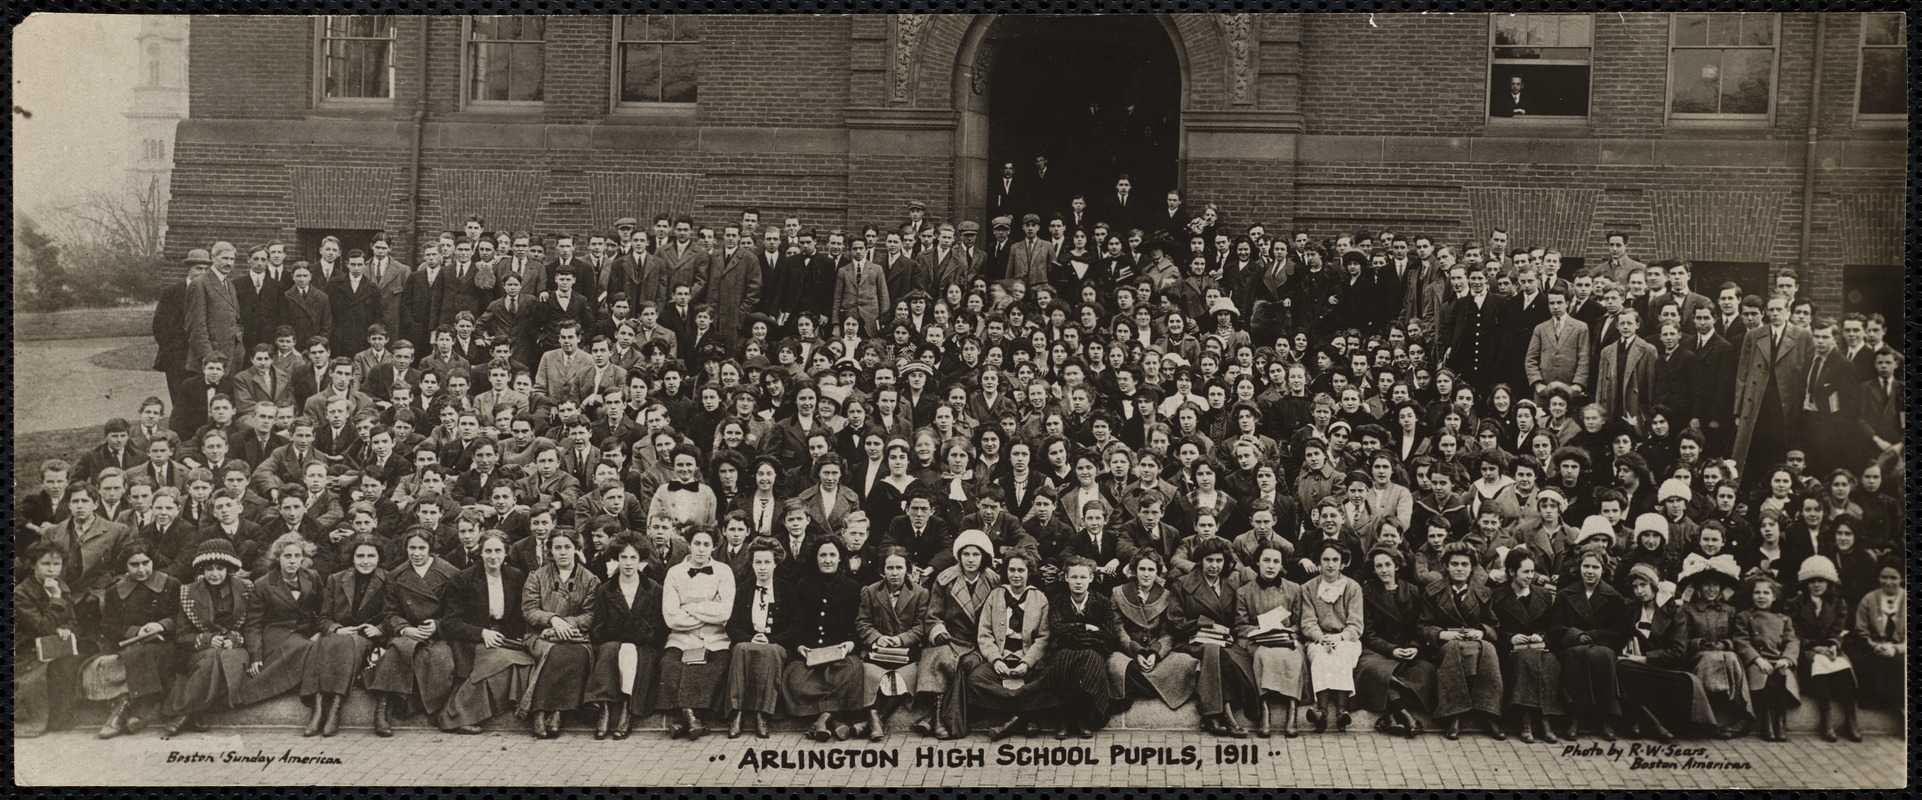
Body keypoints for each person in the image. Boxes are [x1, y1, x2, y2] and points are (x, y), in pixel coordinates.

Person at [363, 530, 462, 737]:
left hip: (437, 634)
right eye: (412, 548)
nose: (416, 553)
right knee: (398, 650)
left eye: (421, 548)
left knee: (441, 659)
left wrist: (437, 625)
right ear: (406, 548)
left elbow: (458, 611)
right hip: (407, 630)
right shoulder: (396, 575)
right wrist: (405, 628)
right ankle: (383, 709)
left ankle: (439, 712)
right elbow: (389, 612)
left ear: (430, 549)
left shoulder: (450, 573)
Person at [82, 543, 182, 739]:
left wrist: (162, 625)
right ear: (125, 566)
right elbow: (109, 626)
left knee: (145, 654)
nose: (141, 569)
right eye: (134, 564)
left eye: (146, 563)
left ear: (153, 561)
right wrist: (136, 631)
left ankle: (124, 710)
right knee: (124, 658)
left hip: (165, 643)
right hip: (130, 643)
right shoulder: (115, 591)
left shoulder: (171, 584)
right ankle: (133, 714)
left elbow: (182, 617)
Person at [439, 530, 534, 734]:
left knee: (524, 661)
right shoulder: (463, 579)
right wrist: (482, 633)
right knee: (497, 660)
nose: (493, 556)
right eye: (488, 551)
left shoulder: (515, 576)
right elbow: (450, 622)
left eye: (498, 551)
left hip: (505, 638)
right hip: (471, 639)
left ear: (506, 553)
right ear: (480, 553)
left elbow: (520, 614)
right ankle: (458, 716)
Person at [158, 538, 253, 738]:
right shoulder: (188, 592)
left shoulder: (245, 589)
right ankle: (195, 713)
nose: (214, 573)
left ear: (229, 568)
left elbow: (252, 626)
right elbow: (181, 635)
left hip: (235, 648)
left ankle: (185, 714)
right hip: (200, 651)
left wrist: (234, 639)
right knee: (211, 658)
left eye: (220, 568)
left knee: (224, 658)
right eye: (209, 568)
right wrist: (208, 639)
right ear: (202, 570)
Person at [779, 537, 872, 741]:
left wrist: (851, 643)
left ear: (840, 559)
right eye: (823, 555)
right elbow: (796, 623)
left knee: (851, 672)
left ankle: (822, 718)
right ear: (816, 558)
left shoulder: (854, 587)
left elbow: (860, 624)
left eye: (832, 555)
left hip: (840, 654)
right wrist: (800, 646)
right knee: (793, 679)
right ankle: (836, 720)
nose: (828, 560)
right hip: (811, 654)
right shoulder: (803, 585)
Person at [913, 529, 1000, 740]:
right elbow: (933, 615)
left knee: (965, 665)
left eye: (976, 554)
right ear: (959, 556)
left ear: (984, 557)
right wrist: (939, 632)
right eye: (966, 554)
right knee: (939, 657)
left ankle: (933, 718)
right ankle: (937, 718)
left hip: (979, 641)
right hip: (951, 638)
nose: (970, 559)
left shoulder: (993, 580)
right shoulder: (945, 579)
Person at [959, 549, 1053, 741]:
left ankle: (1012, 718)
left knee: (1048, 679)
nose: (1016, 575)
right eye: (1012, 570)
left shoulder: (1039, 598)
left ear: (1029, 573)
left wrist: (1027, 663)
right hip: (1001, 656)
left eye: (1021, 570)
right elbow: (984, 633)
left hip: (1027, 657)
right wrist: (995, 660)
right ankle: (1024, 715)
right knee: (976, 680)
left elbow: (1044, 637)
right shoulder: (995, 595)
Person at [301, 535, 390, 737]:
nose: (365, 561)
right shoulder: (336, 579)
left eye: (370, 556)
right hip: (340, 635)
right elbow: (323, 617)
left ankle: (335, 709)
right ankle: (318, 709)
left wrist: (380, 629)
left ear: (378, 558)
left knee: (347, 644)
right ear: (352, 558)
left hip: (369, 637)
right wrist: (336, 628)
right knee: (324, 644)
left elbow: (393, 615)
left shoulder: (387, 580)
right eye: (360, 556)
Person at [1170, 536, 1256, 737]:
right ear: (1200, 561)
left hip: (1223, 642)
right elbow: (1175, 622)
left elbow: (1236, 621)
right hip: (1191, 641)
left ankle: (1214, 717)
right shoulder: (1182, 584)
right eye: (1209, 560)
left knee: (1226, 654)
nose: (1214, 566)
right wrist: (1206, 624)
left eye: (1219, 561)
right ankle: (1221, 715)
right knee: (1212, 651)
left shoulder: (1230, 587)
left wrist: (1228, 632)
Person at [519, 527, 599, 738]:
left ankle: (556, 713)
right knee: (553, 652)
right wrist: (552, 620)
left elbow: (591, 614)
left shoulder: (590, 579)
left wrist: (567, 624)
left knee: (578, 654)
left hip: (575, 635)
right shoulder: (537, 576)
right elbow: (529, 610)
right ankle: (539, 712)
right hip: (540, 635)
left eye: (567, 547)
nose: (562, 552)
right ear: (550, 551)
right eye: (557, 548)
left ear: (576, 549)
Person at [1422, 541, 1503, 740]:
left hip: (1474, 641)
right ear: (1446, 567)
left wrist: (1482, 632)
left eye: (1464, 565)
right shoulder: (1433, 591)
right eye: (1455, 564)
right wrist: (1442, 634)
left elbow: (1494, 625)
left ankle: (1489, 712)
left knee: (1489, 650)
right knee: (1453, 650)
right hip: (1445, 645)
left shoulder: (1483, 592)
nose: (1459, 569)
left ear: (1472, 568)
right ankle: (1454, 715)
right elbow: (1422, 626)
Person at [659, 526, 735, 739]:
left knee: (718, 665)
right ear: (689, 545)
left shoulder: (724, 572)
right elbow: (671, 617)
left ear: (714, 546)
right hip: (681, 638)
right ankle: (693, 718)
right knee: (669, 665)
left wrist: (690, 608)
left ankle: (684, 719)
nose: (701, 549)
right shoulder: (674, 573)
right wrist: (709, 606)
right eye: (697, 544)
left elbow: (725, 613)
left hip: (715, 638)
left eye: (706, 544)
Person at [1549, 543, 1626, 741]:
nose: (1590, 572)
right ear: (1579, 568)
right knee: (1577, 654)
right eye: (1586, 567)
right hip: (1573, 646)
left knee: (1602, 655)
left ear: (1603, 569)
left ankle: (1606, 717)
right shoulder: (1565, 595)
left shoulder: (1614, 597)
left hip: (1603, 646)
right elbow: (1555, 628)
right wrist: (1575, 635)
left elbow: (1620, 633)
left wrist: (1594, 634)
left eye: (1595, 567)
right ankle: (1574, 716)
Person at [235, 533, 323, 706]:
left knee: (316, 647)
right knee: (306, 648)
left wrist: (320, 631)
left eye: (297, 556)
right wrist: (256, 656)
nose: (292, 561)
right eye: (287, 556)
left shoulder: (312, 577)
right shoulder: (263, 584)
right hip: (277, 635)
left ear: (303, 558)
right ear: (278, 558)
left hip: (306, 633)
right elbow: (253, 624)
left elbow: (324, 610)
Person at [1232, 543, 1307, 737]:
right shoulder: (1244, 592)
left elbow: (1299, 623)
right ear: (1258, 562)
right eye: (1266, 560)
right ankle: (1264, 711)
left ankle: (1292, 711)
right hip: (1257, 640)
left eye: (1276, 562)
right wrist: (1261, 629)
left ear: (1282, 565)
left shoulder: (1294, 589)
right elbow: (1240, 625)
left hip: (1285, 638)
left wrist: (1287, 631)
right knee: (1263, 656)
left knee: (1294, 654)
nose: (1271, 566)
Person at [1674, 552, 1751, 738]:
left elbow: (1737, 637)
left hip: (1723, 656)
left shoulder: (1729, 610)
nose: (1711, 589)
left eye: (1715, 585)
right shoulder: (1687, 610)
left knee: (1731, 657)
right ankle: (1704, 720)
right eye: (1707, 584)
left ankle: (1743, 716)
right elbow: (1681, 641)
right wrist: (1700, 644)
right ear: (1699, 587)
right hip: (1696, 658)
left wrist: (1725, 644)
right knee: (1712, 658)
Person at [1491, 546, 1563, 743]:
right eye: (1525, 571)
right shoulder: (1497, 596)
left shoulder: (1544, 595)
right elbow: (1492, 627)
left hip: (1540, 648)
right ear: (1512, 572)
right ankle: (1526, 719)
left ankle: (1545, 718)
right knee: (1524, 659)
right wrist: (1510, 638)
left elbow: (1553, 627)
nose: (1530, 576)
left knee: (1550, 661)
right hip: (1510, 652)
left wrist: (1542, 637)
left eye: (1532, 571)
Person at [856, 545, 928, 740]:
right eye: (890, 568)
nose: (894, 573)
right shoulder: (870, 592)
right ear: (882, 571)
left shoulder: (920, 593)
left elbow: (921, 626)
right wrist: (878, 638)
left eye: (899, 568)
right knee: (869, 676)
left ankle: (874, 720)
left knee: (902, 679)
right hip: (878, 651)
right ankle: (873, 716)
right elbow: (863, 623)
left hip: (906, 654)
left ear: (908, 569)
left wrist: (901, 639)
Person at [1042, 556, 1119, 739]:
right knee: (1061, 661)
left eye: (1083, 577)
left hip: (1092, 650)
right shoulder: (1057, 600)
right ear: (1066, 578)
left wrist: (1072, 632)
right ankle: (1064, 718)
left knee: (1090, 661)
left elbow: (1108, 635)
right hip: (1063, 649)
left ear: (1091, 578)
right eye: (1074, 577)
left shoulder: (1102, 602)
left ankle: (1083, 717)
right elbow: (1056, 628)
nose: (1078, 582)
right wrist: (1086, 628)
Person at [1785, 555, 1859, 742]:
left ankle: (1851, 719)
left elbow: (1838, 630)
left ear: (1829, 582)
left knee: (1841, 664)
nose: (1816, 585)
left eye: (1821, 580)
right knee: (1819, 661)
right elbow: (1796, 634)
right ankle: (1826, 717)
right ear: (1805, 583)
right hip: (1807, 651)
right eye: (1812, 581)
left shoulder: (1838, 603)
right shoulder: (1795, 604)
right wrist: (1816, 648)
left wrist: (1834, 645)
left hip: (1830, 649)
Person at [16, 542, 84, 738]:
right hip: (29, 649)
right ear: (33, 565)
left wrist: (66, 628)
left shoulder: (61, 585)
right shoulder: (21, 593)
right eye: (46, 564)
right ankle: (53, 718)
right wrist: (55, 598)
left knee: (80, 655)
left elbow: (73, 620)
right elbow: (41, 628)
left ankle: (61, 717)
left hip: (55, 644)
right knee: (61, 665)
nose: (52, 569)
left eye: (57, 564)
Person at [1734, 574, 1800, 742]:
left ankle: (1780, 721)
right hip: (1758, 662)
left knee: (1782, 676)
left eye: (1766, 593)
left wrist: (1786, 659)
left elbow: (1792, 641)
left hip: (1778, 660)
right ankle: (1767, 722)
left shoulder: (1783, 619)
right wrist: (1757, 659)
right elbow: (1741, 641)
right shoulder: (1744, 617)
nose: (1761, 597)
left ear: (1774, 596)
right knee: (1765, 680)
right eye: (1757, 593)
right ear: (1752, 595)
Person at [1848, 558, 1904, 710]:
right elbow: (1861, 630)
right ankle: (1877, 703)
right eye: (1883, 577)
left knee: (1901, 664)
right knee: (1867, 663)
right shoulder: (1869, 599)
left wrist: (1896, 649)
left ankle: (1901, 708)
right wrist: (1875, 645)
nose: (1888, 581)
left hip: (1902, 649)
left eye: (1893, 577)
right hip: (1874, 648)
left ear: (1902, 578)